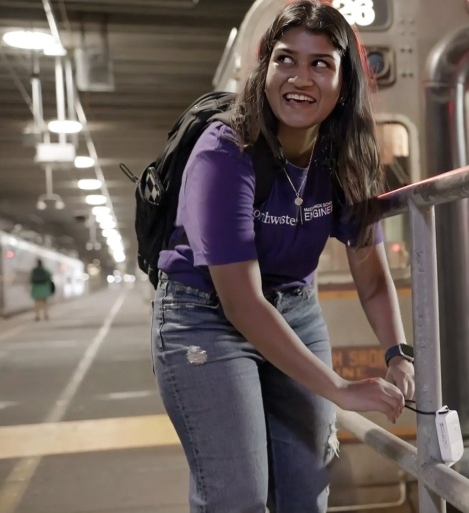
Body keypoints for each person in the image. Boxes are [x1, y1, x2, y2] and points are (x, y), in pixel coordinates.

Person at [150, 2, 415, 512]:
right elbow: (242, 304)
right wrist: (339, 387)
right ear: (265, 69)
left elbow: (372, 275)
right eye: (286, 60)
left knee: (305, 493)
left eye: (321, 63)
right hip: (204, 318)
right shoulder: (224, 153)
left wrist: (396, 354)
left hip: (294, 305)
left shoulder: (347, 156)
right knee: (239, 497)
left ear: (344, 81)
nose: (300, 77)